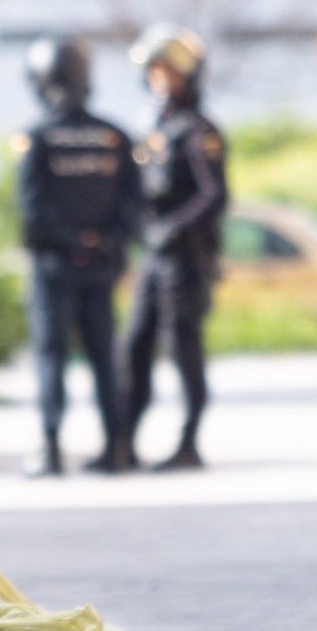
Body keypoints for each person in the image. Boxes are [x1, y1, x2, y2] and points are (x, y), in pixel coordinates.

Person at [15, 35, 142, 476]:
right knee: (105, 356)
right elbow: (134, 204)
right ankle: (117, 448)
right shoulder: (114, 136)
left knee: (51, 356)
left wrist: (71, 241)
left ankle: (51, 451)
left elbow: (32, 208)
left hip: (53, 267)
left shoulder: (37, 138)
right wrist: (101, 241)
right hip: (103, 266)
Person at [116, 25, 226, 472]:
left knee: (183, 349)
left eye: (170, 72)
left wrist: (173, 228)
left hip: (187, 260)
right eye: (155, 72)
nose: (161, 80)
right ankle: (123, 440)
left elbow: (213, 194)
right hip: (154, 258)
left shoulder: (198, 132)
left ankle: (188, 443)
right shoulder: (154, 127)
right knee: (134, 346)